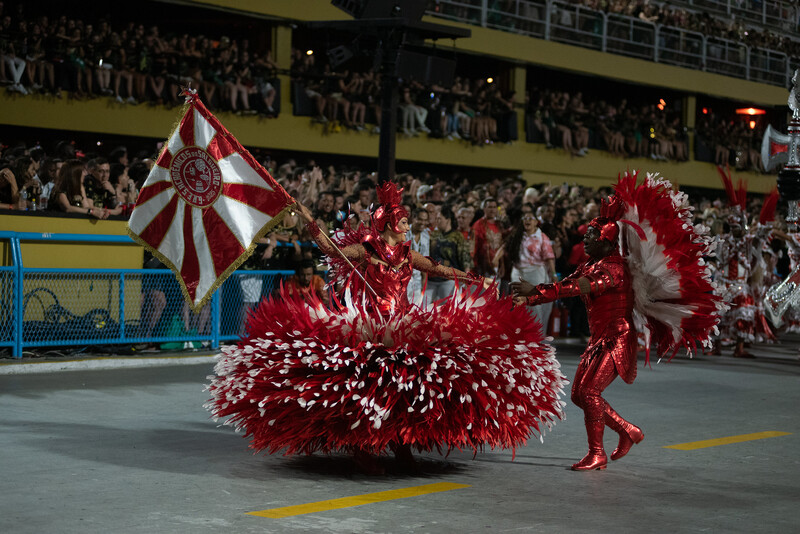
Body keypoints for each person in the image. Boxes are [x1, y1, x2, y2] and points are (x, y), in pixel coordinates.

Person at [207, 181, 568, 476]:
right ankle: (363, 447)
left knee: (406, 387)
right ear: (390, 222)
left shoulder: (408, 255)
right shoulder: (366, 252)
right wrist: (308, 220)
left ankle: (402, 444)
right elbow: (333, 251)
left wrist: (476, 279)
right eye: (403, 218)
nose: (408, 223)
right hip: (368, 324)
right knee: (370, 389)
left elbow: (440, 270)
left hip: (402, 321)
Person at [512, 173, 720, 471]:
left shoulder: (614, 269)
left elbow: (580, 287)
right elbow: (567, 284)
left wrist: (536, 292)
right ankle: (626, 430)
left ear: (607, 242)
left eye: (592, 235)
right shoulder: (593, 264)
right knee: (578, 395)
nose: (585, 238)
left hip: (616, 338)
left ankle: (597, 454)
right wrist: (529, 298)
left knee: (588, 393)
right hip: (599, 340)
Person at [498, 203, 557, 334]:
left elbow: (549, 257)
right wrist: (496, 260)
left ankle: (537, 334)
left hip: (535, 273)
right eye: (525, 218)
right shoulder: (517, 235)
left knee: (535, 304)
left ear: (536, 222)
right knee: (518, 303)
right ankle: (519, 334)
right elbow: (504, 247)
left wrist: (553, 274)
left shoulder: (541, 237)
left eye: (531, 218)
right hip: (518, 272)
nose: (527, 221)